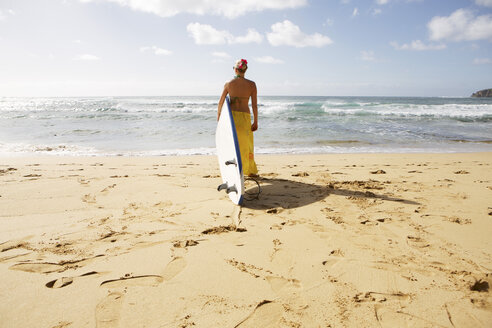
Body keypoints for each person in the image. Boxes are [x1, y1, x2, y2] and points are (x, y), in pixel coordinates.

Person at [217, 58, 258, 177]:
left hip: (232, 118)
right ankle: (249, 170)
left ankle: (232, 169)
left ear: (235, 70)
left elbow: (220, 102)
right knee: (247, 144)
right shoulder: (252, 85)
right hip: (245, 117)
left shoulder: (228, 83)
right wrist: (255, 121)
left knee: (232, 144)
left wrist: (219, 118)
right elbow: (254, 105)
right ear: (245, 70)